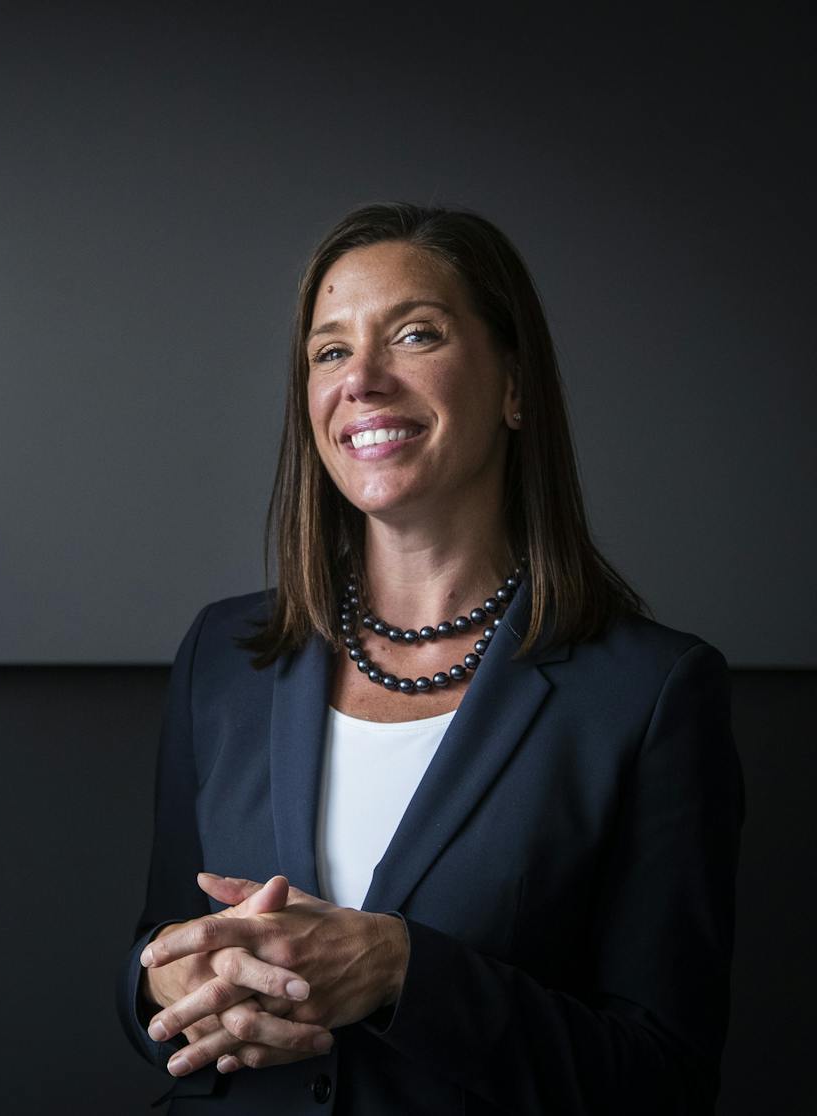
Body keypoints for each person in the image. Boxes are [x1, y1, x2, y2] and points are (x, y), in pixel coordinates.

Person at [119, 203, 742, 1113]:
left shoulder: (648, 694)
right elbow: (154, 956)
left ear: (515, 386)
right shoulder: (224, 654)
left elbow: (663, 1079)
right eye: (330, 351)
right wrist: (162, 987)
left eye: (414, 335)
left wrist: (405, 972)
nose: (362, 381)